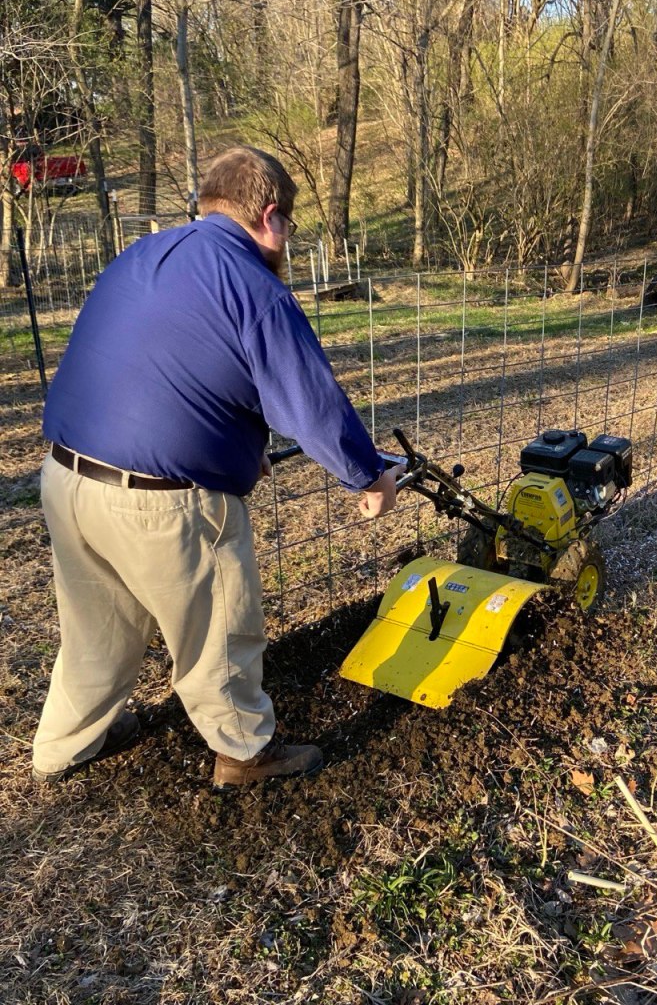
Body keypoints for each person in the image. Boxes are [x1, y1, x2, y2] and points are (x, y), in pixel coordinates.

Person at [32, 145, 403, 788]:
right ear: (268, 217)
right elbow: (311, 404)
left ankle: (65, 745)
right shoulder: (255, 288)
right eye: (287, 223)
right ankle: (244, 752)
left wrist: (232, 445)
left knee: (96, 628)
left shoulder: (142, 257)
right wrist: (366, 476)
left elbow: (161, 367)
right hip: (159, 501)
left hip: (66, 479)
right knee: (219, 629)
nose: (285, 238)